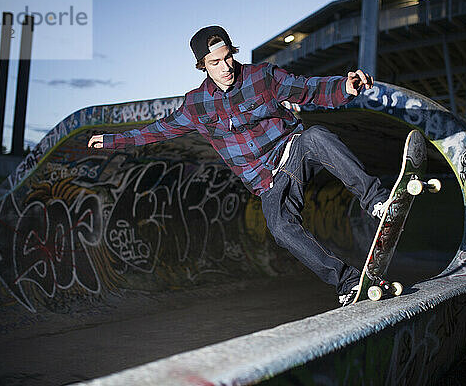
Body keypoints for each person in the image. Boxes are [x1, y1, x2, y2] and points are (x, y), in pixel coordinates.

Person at [88, 25, 390, 306]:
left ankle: (376, 200)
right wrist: (112, 140)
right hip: (266, 180)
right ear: (203, 66)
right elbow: (156, 130)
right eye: (215, 63)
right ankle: (348, 281)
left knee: (317, 136)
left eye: (228, 57)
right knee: (279, 227)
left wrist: (344, 87)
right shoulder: (196, 105)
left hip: (293, 150)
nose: (226, 67)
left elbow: (307, 89)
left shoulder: (262, 76)